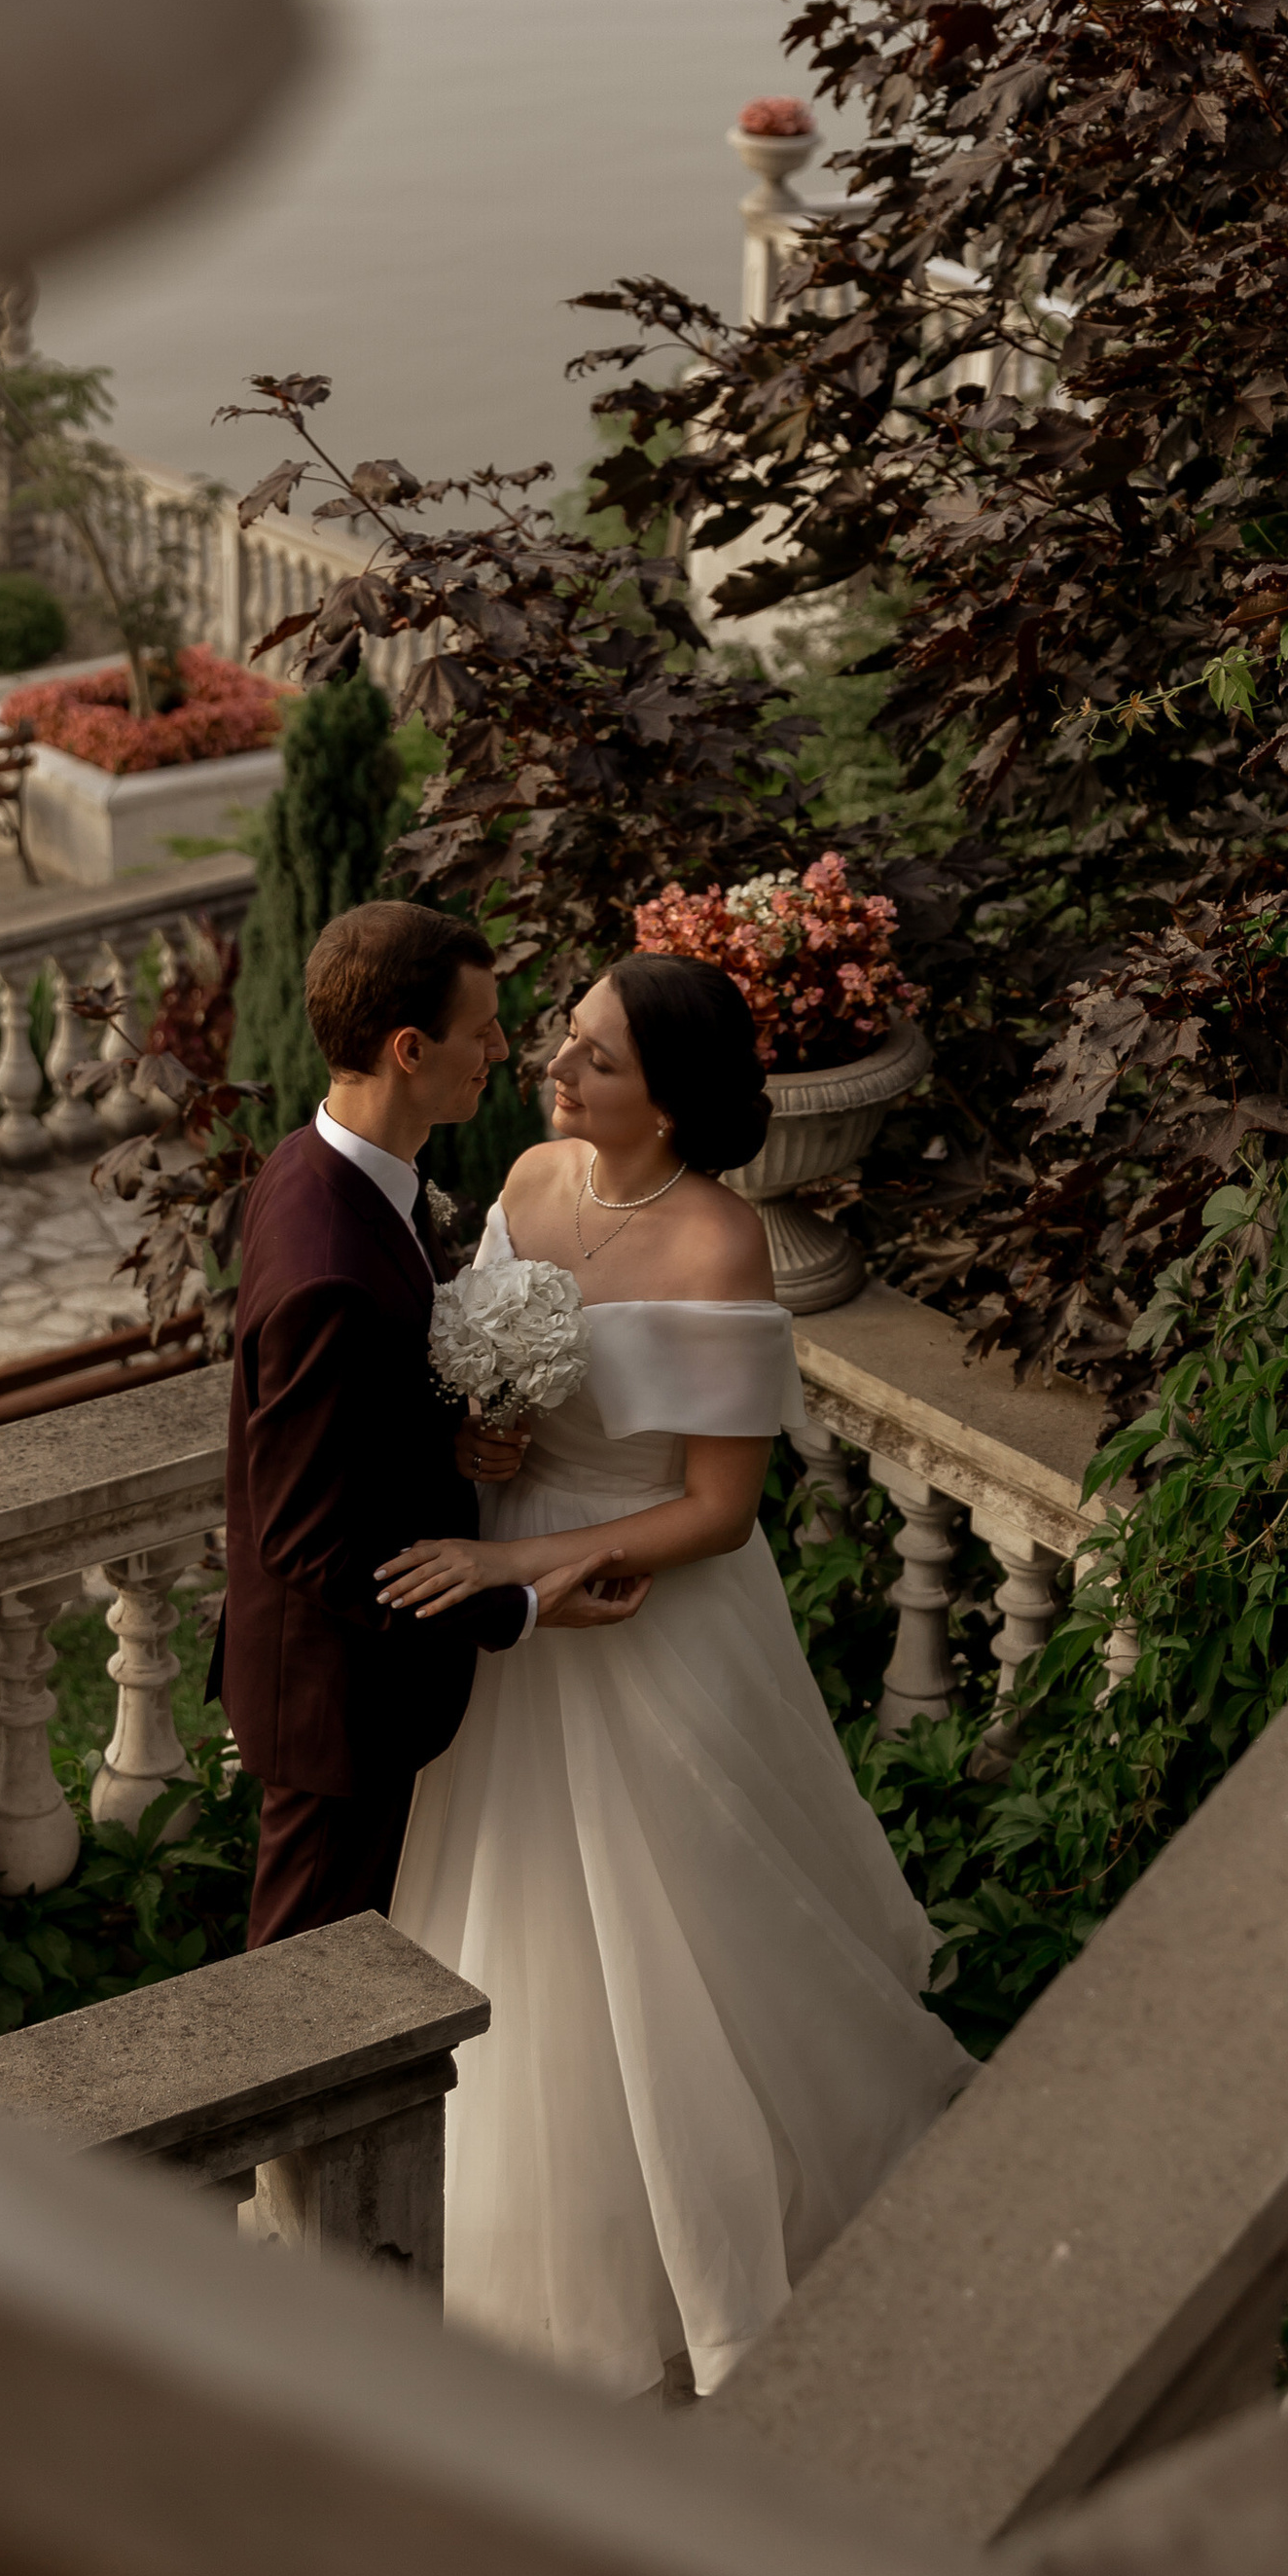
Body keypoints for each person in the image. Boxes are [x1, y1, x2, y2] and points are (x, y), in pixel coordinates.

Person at [378, 951, 975, 2404]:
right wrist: (486, 1456)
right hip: (516, 1582)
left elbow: (717, 1511)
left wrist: (528, 1564)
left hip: (649, 1610)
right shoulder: (526, 1181)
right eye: (564, 1042)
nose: (556, 1070)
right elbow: (491, 1391)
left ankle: (728, 2233)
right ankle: (529, 2235)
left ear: (671, 1099)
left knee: (692, 1921)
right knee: (504, 1906)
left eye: (595, 1062)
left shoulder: (719, 1248)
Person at [217, 902, 646, 1951]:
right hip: (339, 1704)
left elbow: (346, 1422)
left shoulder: (325, 1169)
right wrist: (519, 1609)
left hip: (350, 1689)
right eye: (484, 1029)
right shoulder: (329, 1265)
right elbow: (310, 1538)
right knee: (304, 2001)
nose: (505, 1050)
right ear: (409, 1050)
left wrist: (442, 1439)